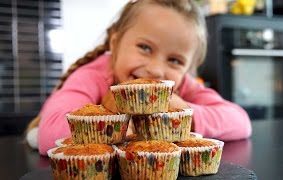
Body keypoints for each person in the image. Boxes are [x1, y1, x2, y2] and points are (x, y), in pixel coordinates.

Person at [26, 0, 252, 156]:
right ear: (115, 43)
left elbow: (240, 121)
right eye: (145, 47)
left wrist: (184, 112)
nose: (155, 70)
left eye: (175, 61)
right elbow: (49, 134)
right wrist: (128, 123)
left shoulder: (182, 87)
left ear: (188, 70)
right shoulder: (93, 76)